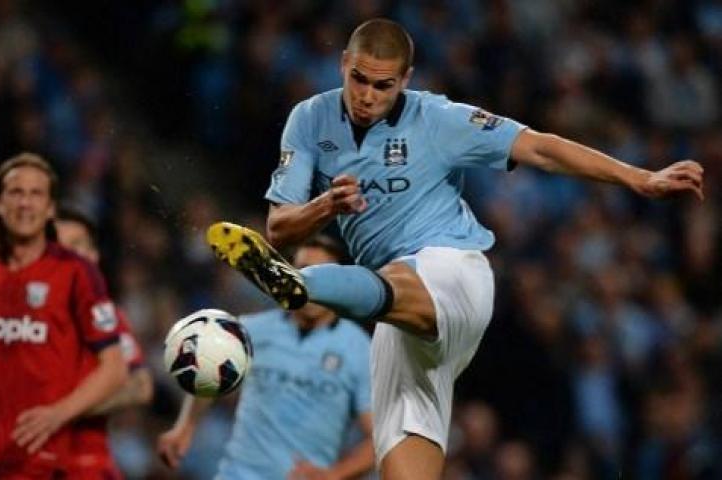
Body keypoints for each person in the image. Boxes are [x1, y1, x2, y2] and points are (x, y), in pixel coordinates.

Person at [206, 18, 705, 480]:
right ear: (343, 63)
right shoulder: (310, 120)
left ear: (405, 79)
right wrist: (325, 208)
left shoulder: (439, 118)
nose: (367, 96)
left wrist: (639, 177)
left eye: (384, 85)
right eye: (359, 79)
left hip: (453, 273)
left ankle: (302, 286)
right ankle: (301, 285)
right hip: (394, 316)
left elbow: (540, 147)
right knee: (401, 461)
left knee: (393, 279)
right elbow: (278, 229)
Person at [158, 235, 374, 479]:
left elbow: (377, 438)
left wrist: (335, 474)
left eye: (324, 275)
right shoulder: (252, 329)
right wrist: (186, 426)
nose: (312, 283)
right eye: (303, 272)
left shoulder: (359, 348)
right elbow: (211, 372)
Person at [0, 153, 127, 478]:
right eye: (16, 193)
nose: (25, 203)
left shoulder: (75, 272)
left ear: (50, 208)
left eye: (36, 193)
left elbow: (115, 368)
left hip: (40, 458)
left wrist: (58, 414)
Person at [55, 206, 154, 479]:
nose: (71, 256)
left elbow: (140, 386)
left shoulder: (106, 317)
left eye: (77, 246)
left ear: (94, 256)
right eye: (60, 248)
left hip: (85, 466)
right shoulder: (17, 313)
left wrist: (64, 410)